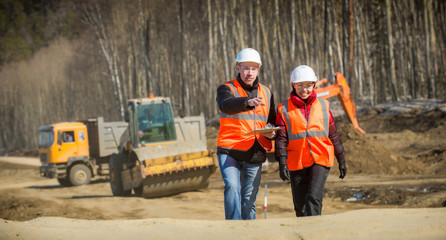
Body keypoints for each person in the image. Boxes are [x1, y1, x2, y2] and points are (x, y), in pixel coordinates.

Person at [275, 65, 347, 217]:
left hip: (320, 158)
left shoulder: (323, 106)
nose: (304, 89)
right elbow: (281, 139)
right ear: (293, 85)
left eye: (308, 85)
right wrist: (282, 162)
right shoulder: (283, 109)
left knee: (313, 197)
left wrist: (341, 159)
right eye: (300, 85)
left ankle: (314, 233)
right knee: (300, 206)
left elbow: (333, 135)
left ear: (314, 85)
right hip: (297, 160)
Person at [216, 48, 277, 220]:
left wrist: (271, 134)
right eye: (245, 68)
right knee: (232, 186)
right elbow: (226, 105)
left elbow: (272, 121)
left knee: (248, 202)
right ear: (238, 68)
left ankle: (250, 233)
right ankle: (234, 231)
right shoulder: (226, 89)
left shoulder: (267, 92)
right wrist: (247, 102)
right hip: (230, 150)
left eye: (253, 68)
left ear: (258, 69)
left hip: (254, 153)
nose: (250, 73)